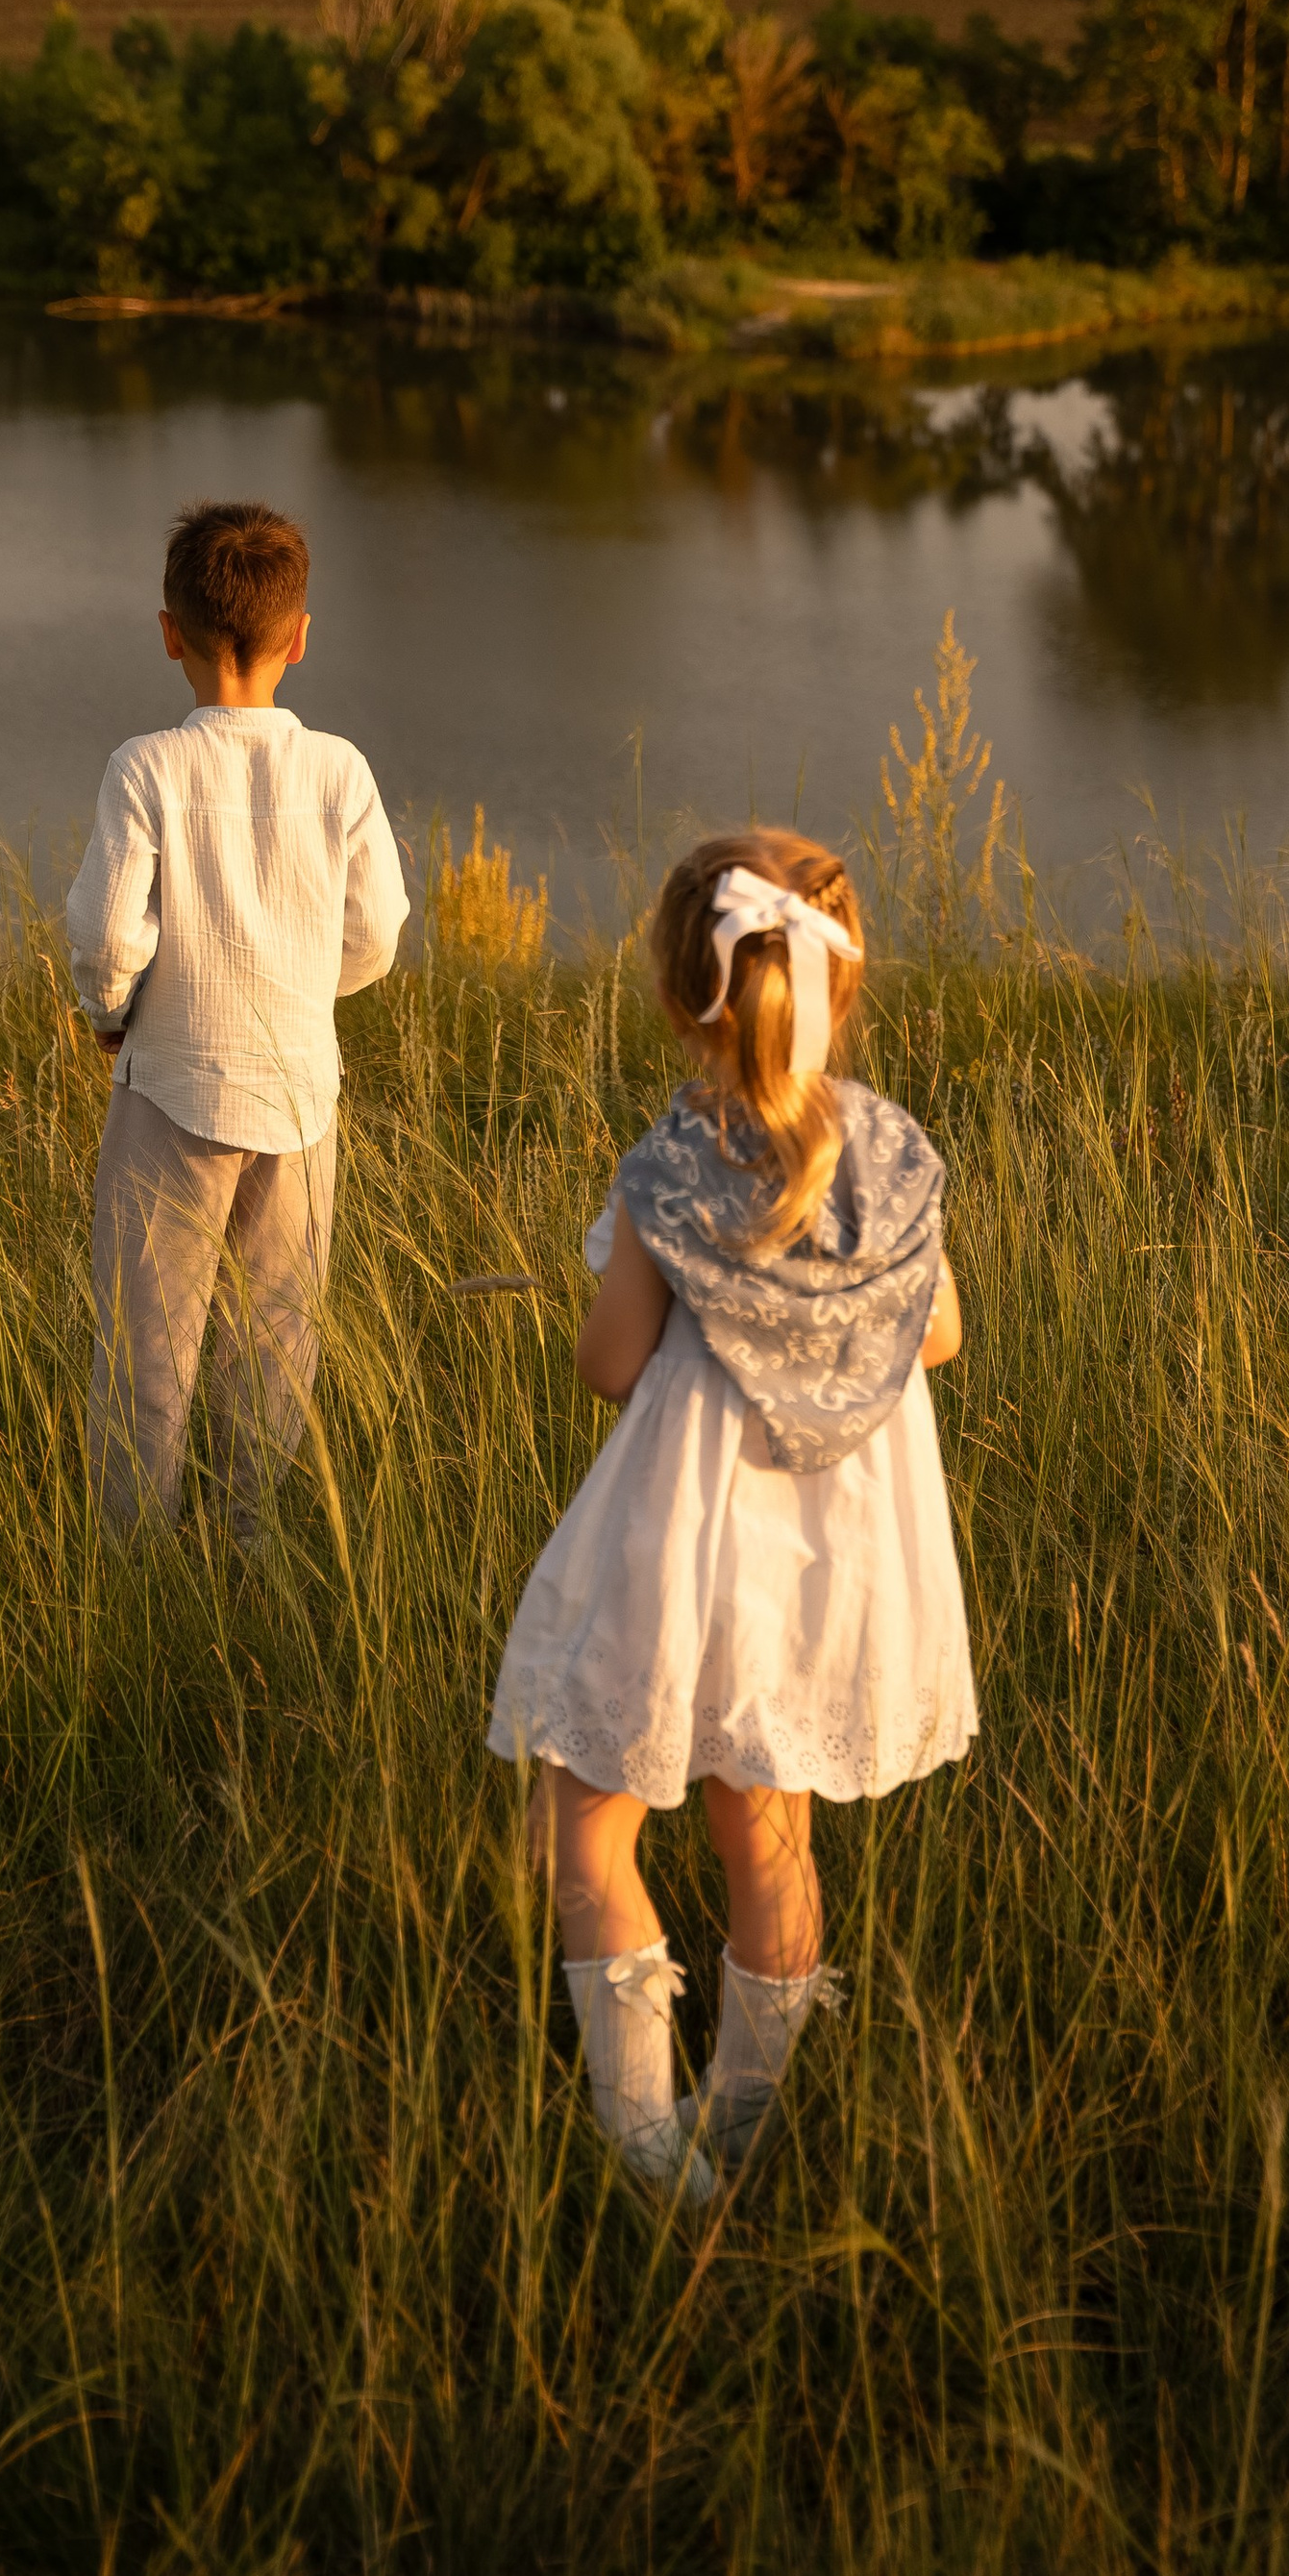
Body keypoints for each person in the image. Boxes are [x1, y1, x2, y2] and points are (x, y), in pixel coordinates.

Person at [487, 827, 976, 2205]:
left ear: (681, 995)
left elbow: (609, 1362)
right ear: (842, 976)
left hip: (691, 1532)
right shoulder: (893, 1154)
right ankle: (746, 2117)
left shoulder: (673, 1161)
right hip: (842, 1551)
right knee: (768, 1825)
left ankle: (645, 2140)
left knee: (589, 1820)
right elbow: (938, 1340)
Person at [66, 500, 409, 1540]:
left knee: (146, 1345)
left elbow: (106, 934)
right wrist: (306, 991)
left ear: (169, 632)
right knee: (274, 1339)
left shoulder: (148, 767)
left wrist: (111, 1013)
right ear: (299, 639)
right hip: (302, 1093)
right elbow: (380, 930)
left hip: (170, 1084)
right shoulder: (340, 771)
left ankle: (132, 1566)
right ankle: (245, 1545)